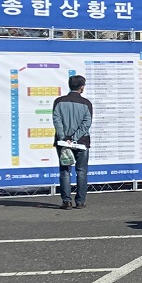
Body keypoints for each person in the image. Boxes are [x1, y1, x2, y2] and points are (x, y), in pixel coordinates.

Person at [52, 74, 93, 209]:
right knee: (81, 171)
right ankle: (80, 202)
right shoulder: (86, 103)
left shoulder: (59, 101)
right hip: (81, 142)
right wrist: (74, 138)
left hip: (62, 142)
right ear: (82, 87)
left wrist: (64, 137)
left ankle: (66, 201)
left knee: (65, 171)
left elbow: (56, 120)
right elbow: (86, 123)